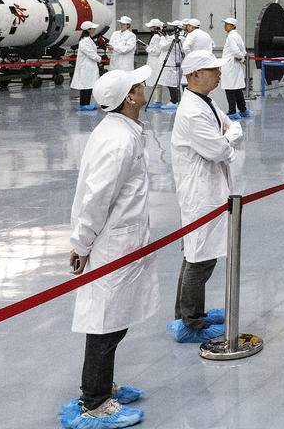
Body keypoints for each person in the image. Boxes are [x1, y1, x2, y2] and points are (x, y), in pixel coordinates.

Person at [60, 66, 160, 429]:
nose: (144, 86)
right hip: (112, 243)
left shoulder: (121, 130)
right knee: (105, 324)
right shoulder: (119, 141)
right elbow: (96, 198)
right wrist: (81, 243)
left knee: (115, 320)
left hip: (122, 240)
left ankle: (101, 385)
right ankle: (95, 401)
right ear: (129, 98)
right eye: (138, 85)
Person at [168, 50, 242, 343]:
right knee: (200, 257)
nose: (219, 74)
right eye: (213, 70)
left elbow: (232, 127)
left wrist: (227, 137)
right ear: (196, 75)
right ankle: (191, 322)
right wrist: (227, 139)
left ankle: (188, 313)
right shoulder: (192, 111)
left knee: (198, 253)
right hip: (200, 193)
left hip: (210, 188)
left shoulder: (205, 102)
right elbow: (219, 150)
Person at [220, 17, 250, 119]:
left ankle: (232, 112)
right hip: (235, 65)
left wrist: (240, 58)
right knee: (237, 88)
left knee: (229, 88)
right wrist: (242, 58)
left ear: (233, 26)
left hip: (230, 65)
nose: (225, 26)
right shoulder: (237, 36)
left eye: (227, 24)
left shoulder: (231, 37)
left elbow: (235, 51)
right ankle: (243, 110)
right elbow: (243, 50)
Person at [71, 22, 103, 112]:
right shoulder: (84, 41)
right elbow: (90, 52)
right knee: (85, 86)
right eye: (93, 28)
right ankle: (83, 104)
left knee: (88, 86)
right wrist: (99, 59)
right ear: (88, 30)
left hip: (89, 66)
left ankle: (86, 104)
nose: (94, 29)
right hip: (86, 67)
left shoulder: (88, 39)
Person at [156, 21, 183, 110]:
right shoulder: (179, 37)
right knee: (171, 83)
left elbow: (163, 47)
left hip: (171, 63)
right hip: (173, 63)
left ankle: (174, 101)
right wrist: (166, 36)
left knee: (172, 83)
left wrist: (162, 37)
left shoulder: (176, 38)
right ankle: (175, 100)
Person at [142, 20, 167, 108]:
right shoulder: (158, 36)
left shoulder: (156, 37)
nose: (150, 28)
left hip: (155, 61)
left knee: (156, 81)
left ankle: (157, 101)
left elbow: (156, 51)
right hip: (154, 61)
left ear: (154, 27)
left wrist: (147, 48)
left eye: (151, 27)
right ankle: (157, 100)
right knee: (156, 81)